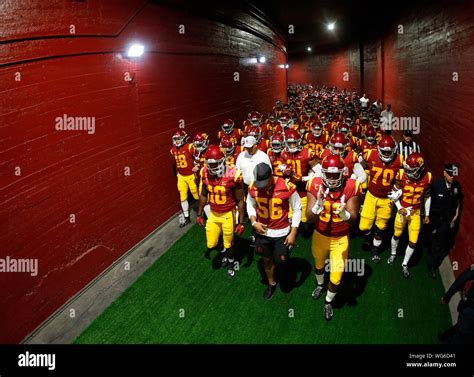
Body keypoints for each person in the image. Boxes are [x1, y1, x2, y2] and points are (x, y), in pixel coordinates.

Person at [306, 154, 362, 320]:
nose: (331, 179)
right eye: (327, 175)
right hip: (320, 235)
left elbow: (352, 221)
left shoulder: (351, 186)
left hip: (340, 238)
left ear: (343, 173)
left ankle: (328, 301)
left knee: (336, 277)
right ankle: (320, 284)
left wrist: (344, 214)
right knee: (318, 264)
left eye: (334, 175)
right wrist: (317, 206)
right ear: (322, 173)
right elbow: (308, 218)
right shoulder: (315, 184)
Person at [247, 163, 302, 300]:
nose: (263, 186)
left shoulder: (287, 186)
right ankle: (271, 283)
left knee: (282, 261)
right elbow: (250, 204)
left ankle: (284, 273)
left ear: (272, 175)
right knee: (266, 260)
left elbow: (297, 208)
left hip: (281, 232)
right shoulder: (253, 187)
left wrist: (293, 232)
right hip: (262, 232)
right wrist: (254, 222)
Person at [196, 145, 246, 278]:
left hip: (228, 213)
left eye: (216, 164)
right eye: (210, 165)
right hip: (213, 213)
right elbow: (203, 194)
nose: (212, 168)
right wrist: (200, 214)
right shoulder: (204, 173)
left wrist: (241, 222)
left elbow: (240, 200)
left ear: (223, 161)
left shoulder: (233, 174)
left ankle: (231, 263)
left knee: (229, 243)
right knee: (211, 243)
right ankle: (224, 252)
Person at [359, 135, 404, 263]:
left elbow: (403, 179)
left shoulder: (399, 160)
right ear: (378, 149)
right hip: (371, 195)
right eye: (383, 151)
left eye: (388, 152)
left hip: (386, 199)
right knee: (363, 227)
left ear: (394, 150)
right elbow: (361, 165)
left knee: (380, 228)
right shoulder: (370, 155)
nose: (385, 154)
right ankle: (368, 238)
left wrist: (398, 190)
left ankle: (375, 250)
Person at [387, 152, 432, 278]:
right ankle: (393, 253)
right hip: (403, 211)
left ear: (420, 169)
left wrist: (427, 214)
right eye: (407, 168)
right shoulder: (401, 175)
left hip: (416, 213)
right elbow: (393, 194)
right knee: (397, 234)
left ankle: (405, 264)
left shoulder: (427, 177)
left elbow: (427, 196)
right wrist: (400, 207)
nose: (407, 171)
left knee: (413, 241)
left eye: (411, 169)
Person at [427, 164, 463, 278]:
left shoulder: (457, 186)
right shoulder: (436, 185)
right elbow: (427, 198)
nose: (453, 177)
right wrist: (426, 214)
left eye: (454, 175)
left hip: (446, 220)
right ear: (445, 173)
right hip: (434, 216)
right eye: (451, 174)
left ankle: (432, 266)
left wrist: (456, 215)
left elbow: (458, 202)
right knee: (423, 233)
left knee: (439, 243)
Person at [170, 129, 199, 227]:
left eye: (179, 139)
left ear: (183, 138)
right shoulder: (173, 149)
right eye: (175, 139)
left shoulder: (190, 147)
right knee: (182, 197)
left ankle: (205, 214)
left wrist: (198, 165)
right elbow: (176, 163)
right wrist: (177, 173)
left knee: (197, 195)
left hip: (191, 175)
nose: (177, 141)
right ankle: (186, 217)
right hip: (181, 176)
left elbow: (199, 156)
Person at [440, 265, 474, 344]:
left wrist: (447, 297)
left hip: (468, 310)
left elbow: (464, 277)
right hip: (470, 312)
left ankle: (445, 336)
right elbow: (464, 277)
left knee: (462, 329)